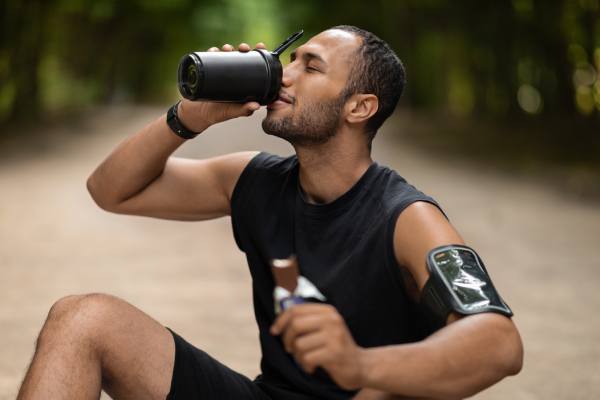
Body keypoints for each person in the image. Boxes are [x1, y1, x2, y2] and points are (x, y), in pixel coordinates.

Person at [17, 25, 523, 400]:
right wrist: (187, 119)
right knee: (81, 319)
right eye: (291, 58)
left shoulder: (406, 217)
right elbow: (110, 190)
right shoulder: (255, 181)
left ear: (359, 108)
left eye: (312, 66)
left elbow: (500, 344)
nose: (283, 75)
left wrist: (361, 365)